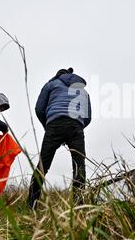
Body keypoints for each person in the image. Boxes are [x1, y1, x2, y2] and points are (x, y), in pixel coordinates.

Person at [28, 67, 91, 208]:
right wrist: (77, 126)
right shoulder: (83, 91)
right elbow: (88, 117)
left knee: (43, 165)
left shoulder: (51, 84)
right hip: (76, 126)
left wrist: (48, 125)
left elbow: (39, 109)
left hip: (55, 124)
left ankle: (31, 204)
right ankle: (79, 205)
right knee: (79, 166)